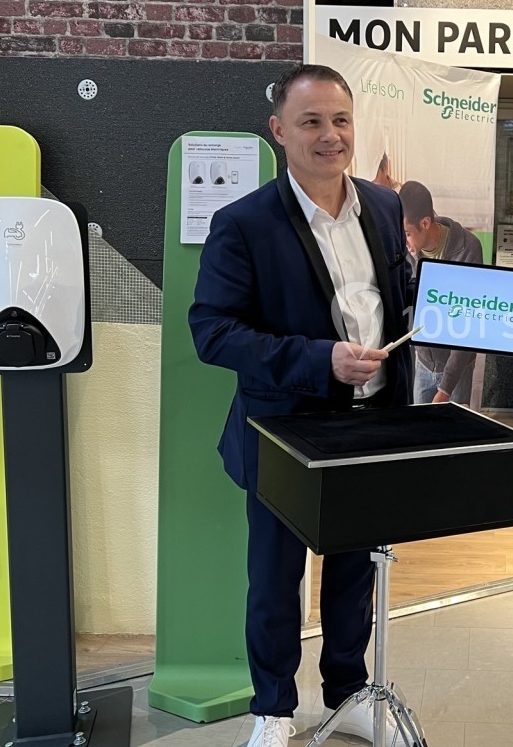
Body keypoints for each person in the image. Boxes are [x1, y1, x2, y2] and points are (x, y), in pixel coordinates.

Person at [189, 64, 414, 747]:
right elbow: (213, 332)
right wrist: (322, 361)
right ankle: (273, 708)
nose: (329, 135)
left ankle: (347, 695)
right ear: (279, 131)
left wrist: (452, 312)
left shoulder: (384, 207)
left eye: (340, 120)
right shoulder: (243, 224)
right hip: (284, 432)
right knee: (275, 579)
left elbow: (395, 297)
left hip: (370, 426)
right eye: (311, 121)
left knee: (354, 571)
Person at [398, 180, 485, 404]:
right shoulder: (405, 251)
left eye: (407, 233)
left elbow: (467, 322)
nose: (403, 239)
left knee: (454, 425)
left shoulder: (468, 248)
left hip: (457, 368)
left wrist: (446, 387)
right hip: (423, 361)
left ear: (425, 223)